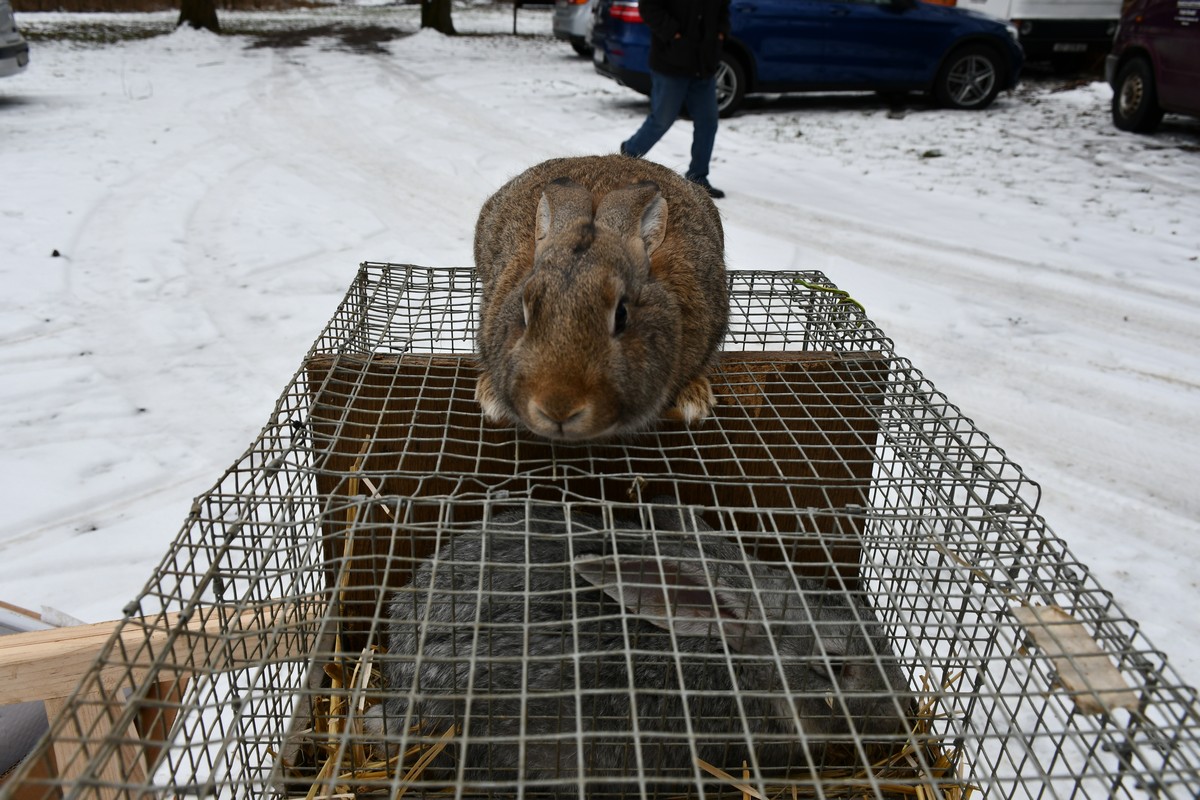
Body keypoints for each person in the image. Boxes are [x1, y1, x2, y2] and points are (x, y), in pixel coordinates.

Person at [619, 0, 731, 199]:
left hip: (704, 63)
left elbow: (723, 8)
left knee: (708, 121)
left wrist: (720, 33)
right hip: (670, 62)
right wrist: (674, 34)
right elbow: (649, 7)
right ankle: (629, 154)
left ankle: (698, 177)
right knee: (662, 119)